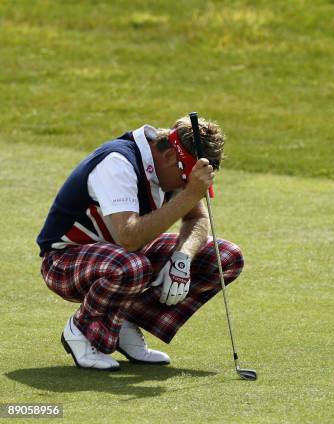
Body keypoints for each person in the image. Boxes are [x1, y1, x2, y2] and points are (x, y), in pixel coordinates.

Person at [36, 116, 244, 371]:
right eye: (185, 177)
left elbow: (197, 218)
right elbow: (129, 237)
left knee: (224, 257)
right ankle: (80, 330)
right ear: (169, 157)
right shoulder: (118, 163)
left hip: (123, 259)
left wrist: (182, 258)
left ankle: (121, 320)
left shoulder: (171, 165)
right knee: (132, 265)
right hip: (64, 262)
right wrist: (189, 193)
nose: (184, 185)